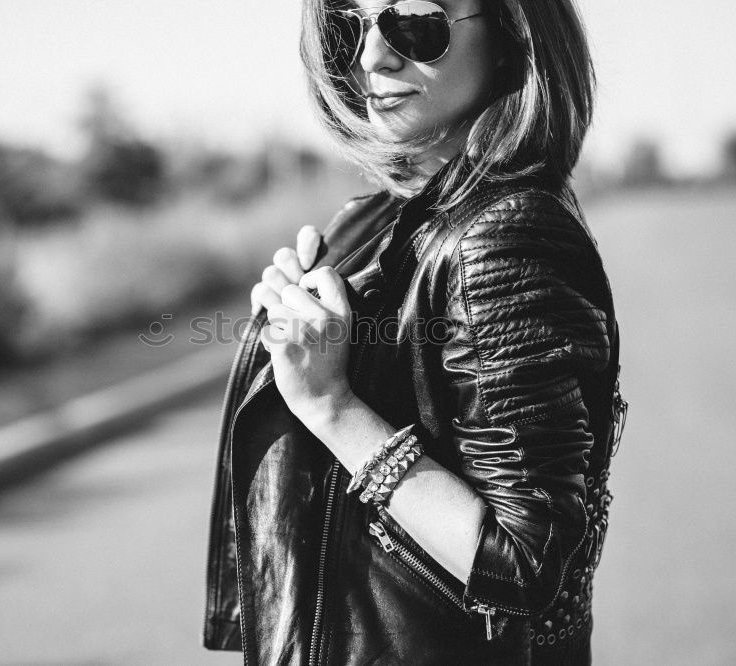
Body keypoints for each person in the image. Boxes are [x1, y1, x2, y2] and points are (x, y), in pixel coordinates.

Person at [204, 0, 627, 663]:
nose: (374, 56)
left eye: (415, 22)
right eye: (350, 25)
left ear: (512, 37)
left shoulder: (505, 237)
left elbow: (524, 565)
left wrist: (333, 407)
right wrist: (299, 326)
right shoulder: (371, 223)